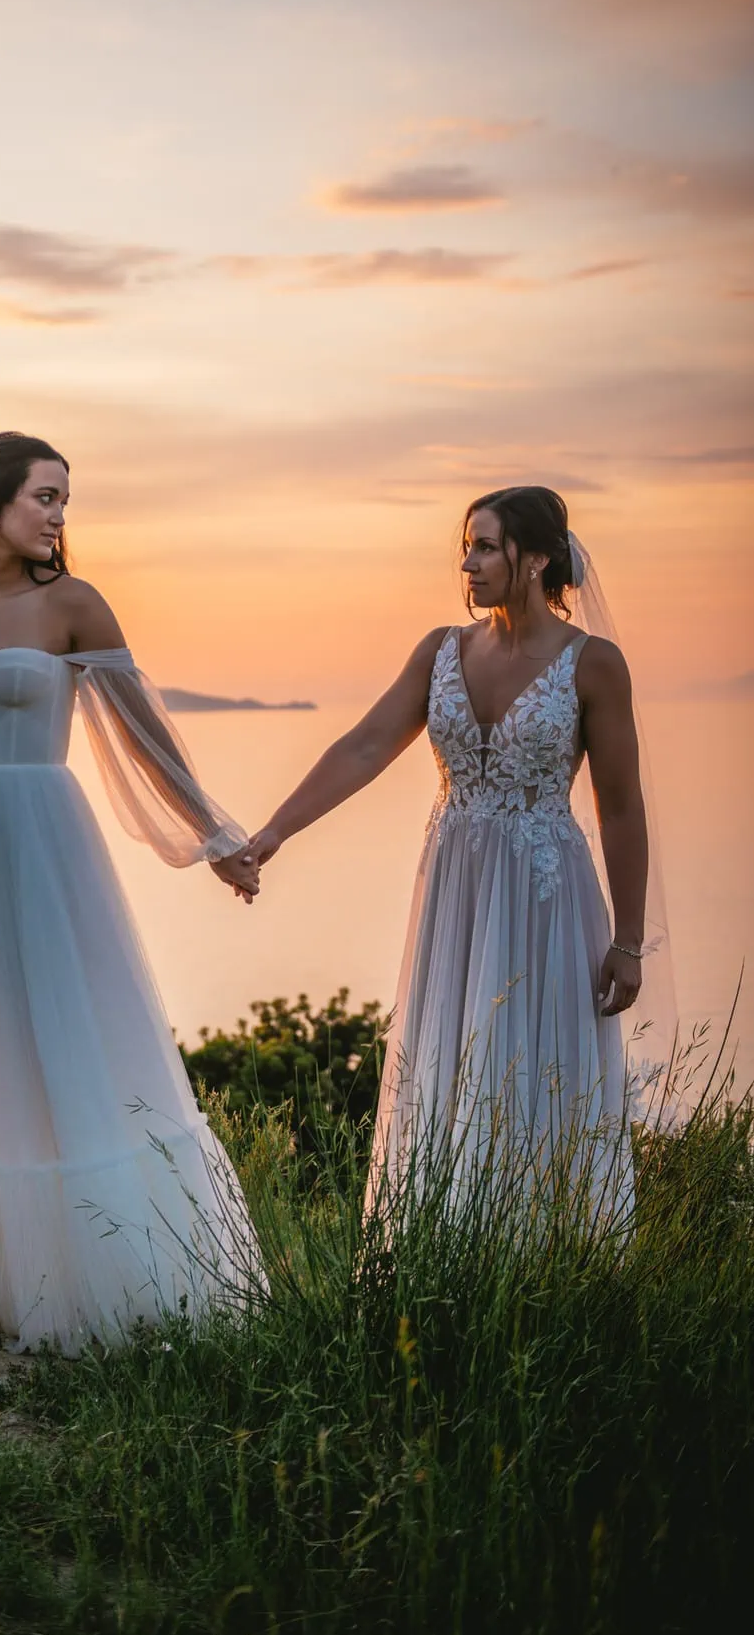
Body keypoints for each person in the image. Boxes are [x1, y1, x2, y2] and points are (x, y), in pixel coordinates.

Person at [0, 432, 262, 1352]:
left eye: (66, 501)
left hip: (43, 845)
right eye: (46, 496)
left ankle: (83, 1276)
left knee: (59, 1037)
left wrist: (214, 837)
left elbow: (146, 735)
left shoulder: (73, 604)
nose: (60, 516)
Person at [241, 486, 675, 1224]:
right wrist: (271, 835)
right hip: (455, 889)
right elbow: (364, 746)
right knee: (451, 1062)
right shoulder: (441, 649)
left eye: (484, 546)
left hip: (545, 895)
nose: (466, 565)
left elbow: (622, 806)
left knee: (536, 1075)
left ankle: (551, 1261)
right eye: (464, 547)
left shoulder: (592, 664)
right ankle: (443, 1252)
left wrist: (627, 941)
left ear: (535, 557)